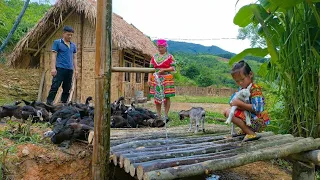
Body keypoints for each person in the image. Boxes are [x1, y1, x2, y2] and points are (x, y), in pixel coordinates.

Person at [223, 60, 270, 142]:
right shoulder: (242, 89)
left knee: (228, 112)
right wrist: (234, 103)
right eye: (237, 81)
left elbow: (258, 109)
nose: (240, 83)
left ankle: (251, 133)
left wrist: (240, 104)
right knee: (226, 111)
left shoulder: (255, 89)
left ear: (250, 74)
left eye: (242, 79)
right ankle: (245, 130)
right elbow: (232, 101)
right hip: (251, 119)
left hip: (258, 121)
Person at [46, 26, 78, 105]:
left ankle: (63, 103)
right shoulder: (57, 42)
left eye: (71, 35)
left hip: (69, 69)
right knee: (55, 86)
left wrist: (76, 70)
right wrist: (53, 68)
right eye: (68, 34)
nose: (70, 36)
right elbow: (54, 55)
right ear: (63, 34)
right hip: (60, 68)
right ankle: (49, 102)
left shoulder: (73, 45)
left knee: (67, 88)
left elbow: (74, 58)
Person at [148, 39, 176, 122]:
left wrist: (164, 70)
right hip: (156, 78)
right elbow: (151, 69)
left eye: (162, 47)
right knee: (157, 97)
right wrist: (149, 79)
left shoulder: (170, 57)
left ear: (165, 47)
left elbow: (173, 68)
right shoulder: (154, 57)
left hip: (166, 78)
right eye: (159, 47)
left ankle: (166, 115)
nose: (160, 49)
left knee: (167, 97)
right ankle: (159, 115)